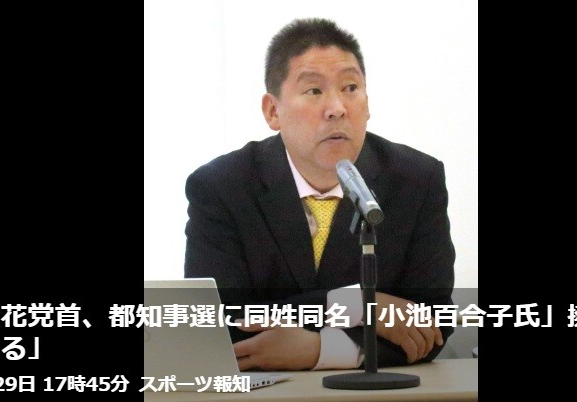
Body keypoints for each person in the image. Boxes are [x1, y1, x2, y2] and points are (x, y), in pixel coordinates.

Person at [184, 18, 455, 371]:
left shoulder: (415, 180)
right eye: (314, 91)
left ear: (368, 104)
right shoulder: (222, 186)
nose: (337, 108)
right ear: (273, 111)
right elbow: (214, 322)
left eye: (351, 88)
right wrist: (353, 304)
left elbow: (431, 325)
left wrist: (321, 350)